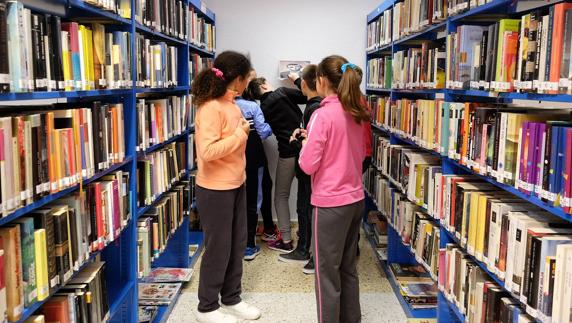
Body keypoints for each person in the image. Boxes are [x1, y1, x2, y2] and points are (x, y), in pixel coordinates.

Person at [298, 56, 370, 323]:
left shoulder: (321, 115)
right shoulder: (356, 112)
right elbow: (359, 153)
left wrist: (305, 144)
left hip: (330, 204)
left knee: (326, 273)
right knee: (348, 268)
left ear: (322, 80)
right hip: (355, 200)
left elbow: (307, 165)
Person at [191, 51, 261, 323]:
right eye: (247, 78)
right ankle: (206, 307)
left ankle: (231, 298)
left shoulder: (232, 104)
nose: (248, 83)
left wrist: (238, 133)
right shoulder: (210, 108)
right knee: (218, 248)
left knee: (236, 244)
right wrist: (240, 134)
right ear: (239, 79)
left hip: (236, 184)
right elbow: (207, 152)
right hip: (215, 189)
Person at [246, 77, 306, 253]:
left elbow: (264, 130)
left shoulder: (261, 108)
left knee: (281, 196)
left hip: (286, 153)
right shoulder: (282, 92)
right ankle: (305, 234)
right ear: (264, 85)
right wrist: (297, 80)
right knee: (306, 194)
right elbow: (306, 95)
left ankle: (286, 240)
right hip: (304, 150)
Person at [277, 65, 322, 275]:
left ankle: (306, 250)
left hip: (308, 170)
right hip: (310, 171)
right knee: (304, 208)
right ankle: (304, 248)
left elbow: (312, 146)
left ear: (305, 84)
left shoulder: (315, 108)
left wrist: (295, 142)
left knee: (305, 209)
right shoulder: (316, 104)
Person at [235, 70, 275, 261]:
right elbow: (263, 131)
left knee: (235, 200)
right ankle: (249, 246)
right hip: (253, 157)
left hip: (231, 158)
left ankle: (235, 243)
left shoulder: (222, 106)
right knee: (253, 200)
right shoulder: (252, 106)